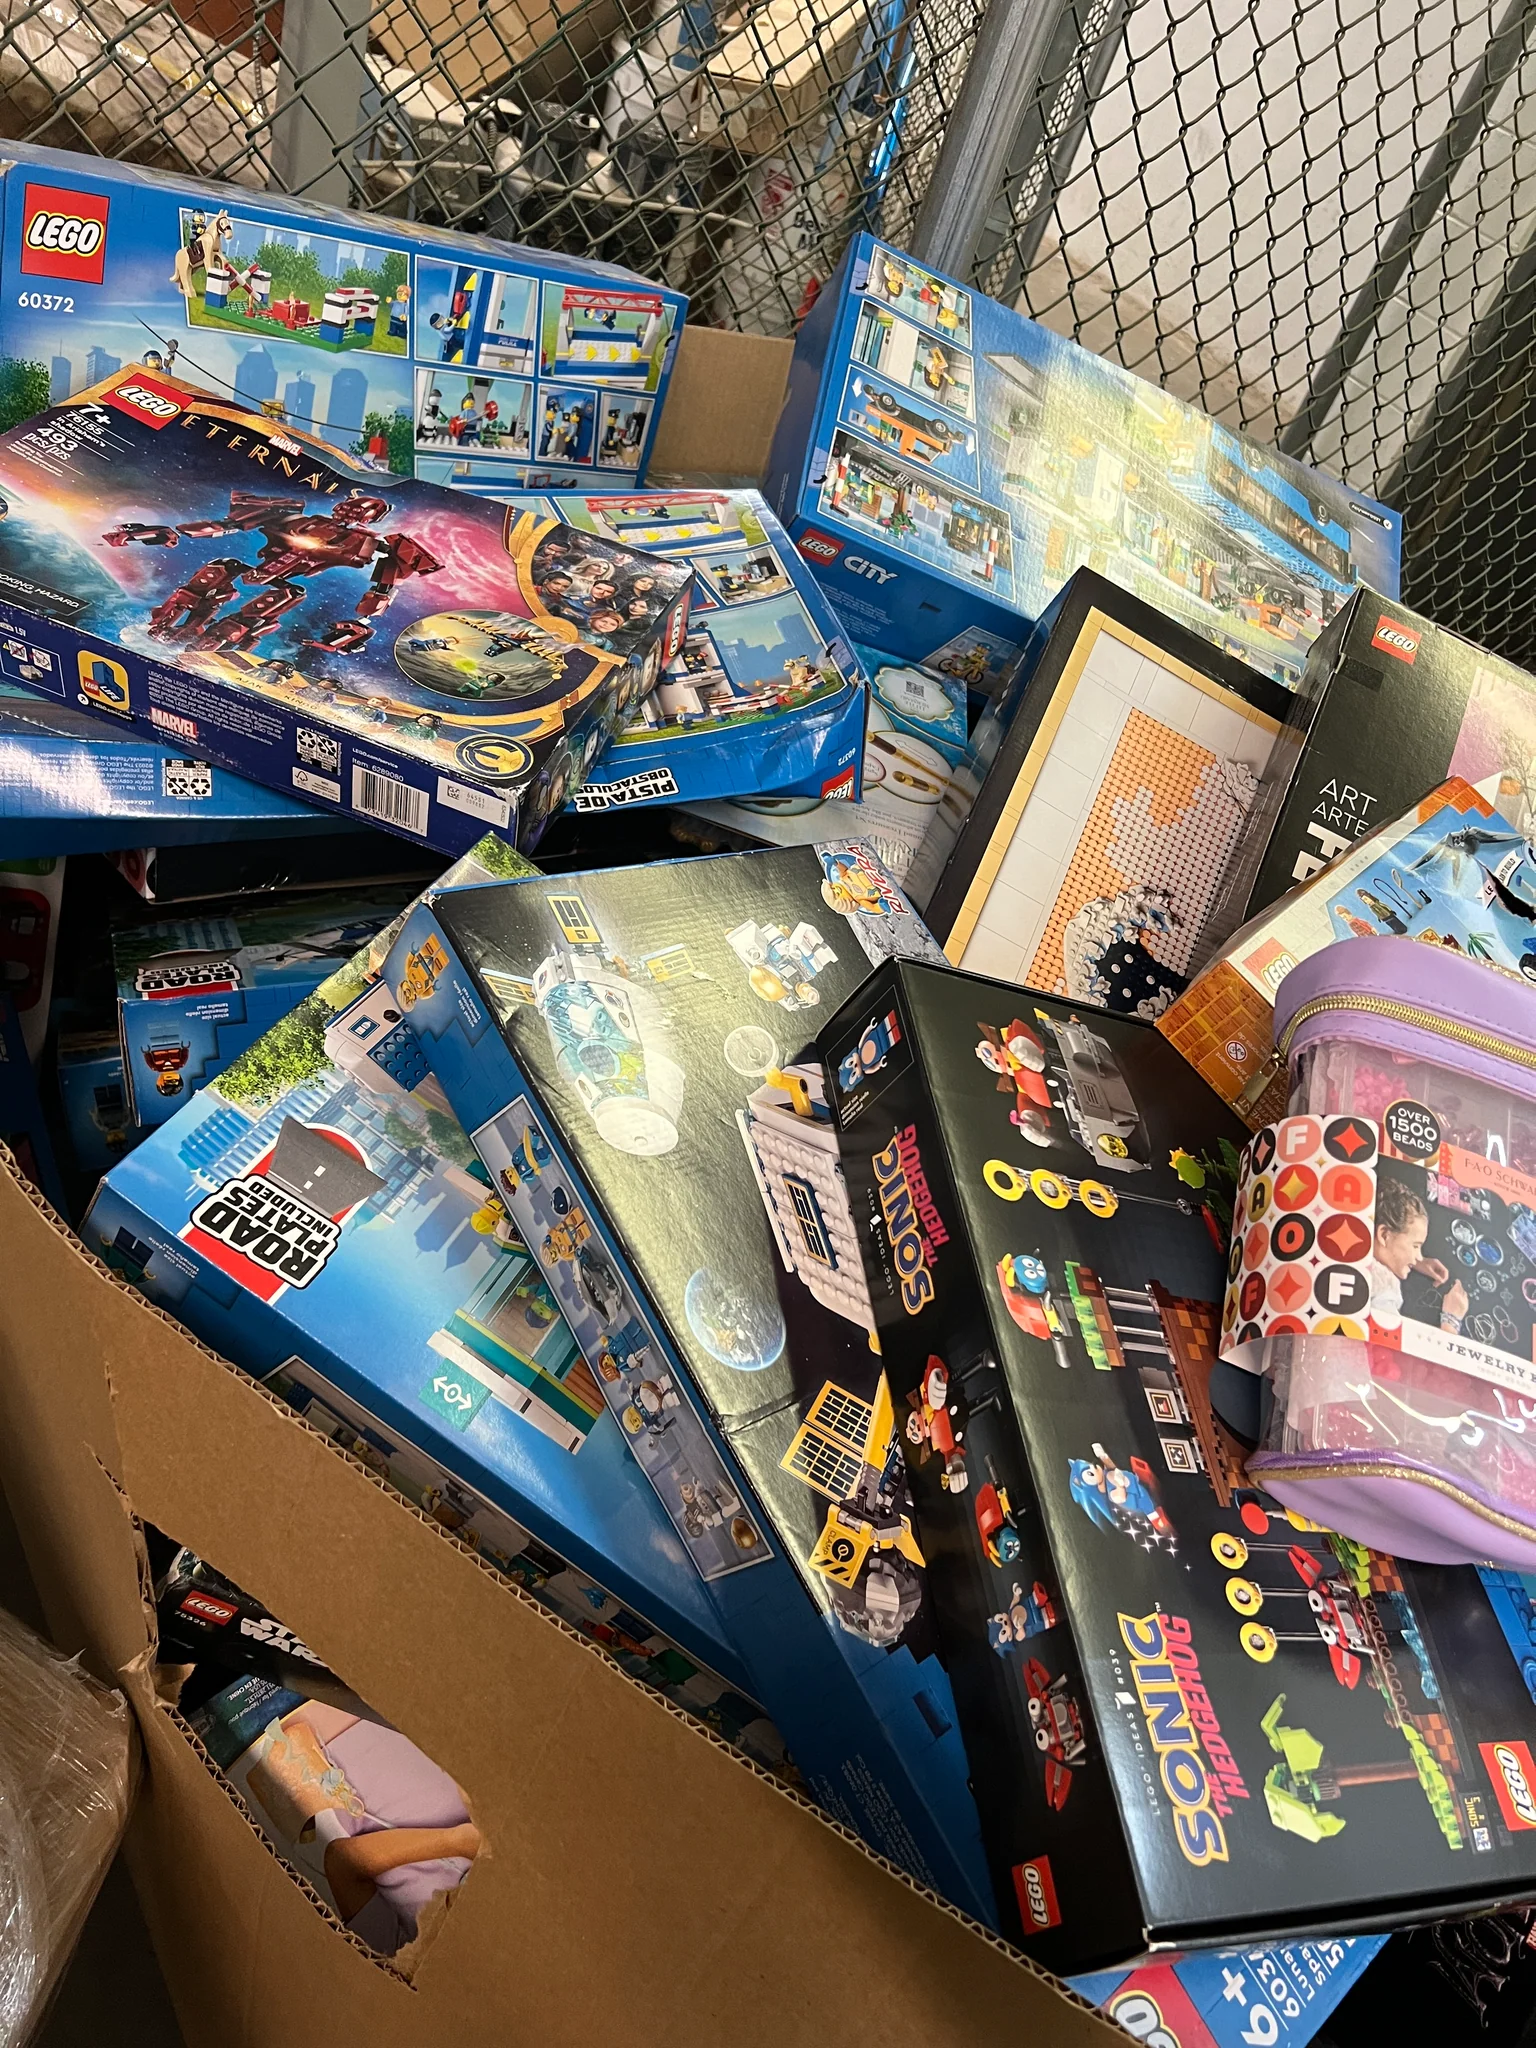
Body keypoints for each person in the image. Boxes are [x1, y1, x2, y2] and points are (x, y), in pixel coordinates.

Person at [1368, 1176, 1468, 1339]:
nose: (1419, 1256)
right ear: (1384, 1235)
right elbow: (1393, 1348)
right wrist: (1451, 1322)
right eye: (1415, 1246)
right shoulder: (1382, 1293)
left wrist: (1413, 1262)